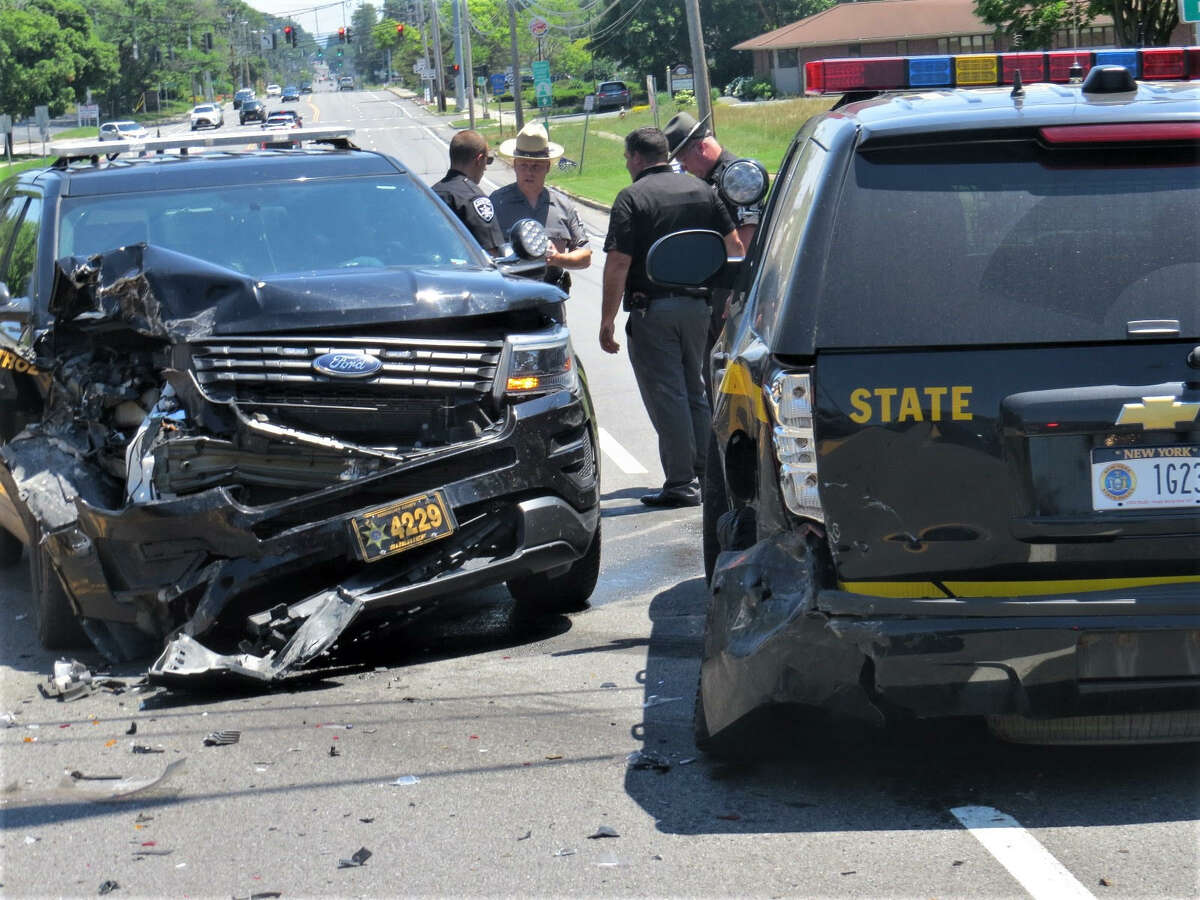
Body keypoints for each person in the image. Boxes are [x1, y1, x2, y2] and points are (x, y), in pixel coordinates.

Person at [600, 127, 742, 508]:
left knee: (669, 395)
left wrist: (607, 319)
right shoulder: (705, 190)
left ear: (635, 157)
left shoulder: (631, 197)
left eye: (627, 158)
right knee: (695, 391)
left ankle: (682, 483)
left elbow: (618, 262)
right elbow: (735, 247)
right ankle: (707, 474)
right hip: (700, 307)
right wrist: (725, 297)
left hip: (654, 310)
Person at [664, 112, 762, 402]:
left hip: (736, 287)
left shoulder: (736, 175)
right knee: (712, 372)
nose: (684, 167)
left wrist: (737, 286)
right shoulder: (712, 178)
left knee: (731, 373)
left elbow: (748, 231)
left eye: (684, 159)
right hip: (716, 286)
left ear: (701, 148)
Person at [491, 123, 591, 293]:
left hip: (551, 298)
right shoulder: (495, 203)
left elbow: (585, 256)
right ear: (515, 165)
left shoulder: (563, 205)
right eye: (523, 165)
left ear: (547, 167)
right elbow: (478, 252)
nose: (529, 172)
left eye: (536, 166)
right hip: (511, 298)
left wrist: (558, 258)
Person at [432, 130, 505, 256]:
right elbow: (492, 254)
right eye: (487, 161)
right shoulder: (474, 199)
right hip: (467, 274)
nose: (486, 168)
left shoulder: (430, 194)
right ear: (479, 159)